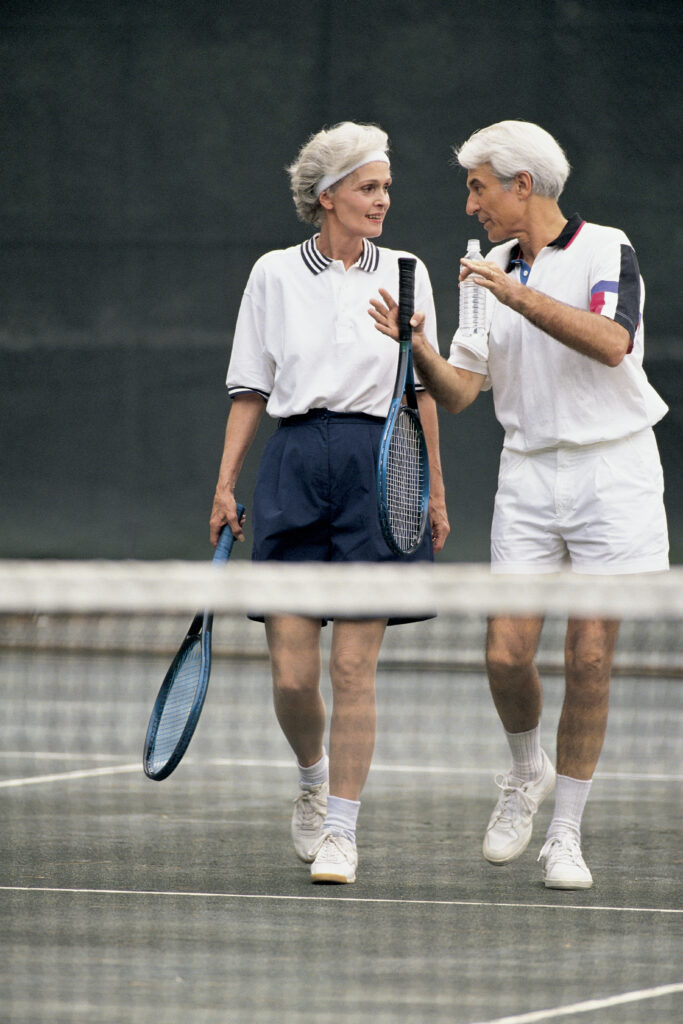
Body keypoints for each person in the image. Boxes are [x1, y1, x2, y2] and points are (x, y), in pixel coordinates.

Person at [370, 120, 669, 890]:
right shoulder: (482, 271)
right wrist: (418, 349)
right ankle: (523, 771)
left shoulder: (605, 248)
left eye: (477, 186)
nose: (469, 204)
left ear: (520, 185)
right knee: (505, 653)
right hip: (528, 476)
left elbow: (610, 342)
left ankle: (565, 834)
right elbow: (464, 393)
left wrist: (515, 293)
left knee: (590, 658)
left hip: (613, 472)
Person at [210, 121, 450, 885]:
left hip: (378, 468)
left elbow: (422, 392)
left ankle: (342, 829)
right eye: (368, 187)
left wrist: (434, 490)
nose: (383, 200)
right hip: (292, 466)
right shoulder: (274, 273)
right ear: (327, 196)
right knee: (291, 674)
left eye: (385, 187)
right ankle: (313, 780)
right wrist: (225, 482)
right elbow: (251, 386)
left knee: (353, 668)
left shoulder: (408, 271)